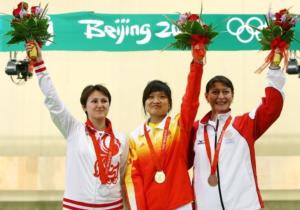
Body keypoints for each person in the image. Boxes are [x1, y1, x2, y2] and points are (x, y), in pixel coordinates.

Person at [26, 42, 128, 210]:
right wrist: (39, 65)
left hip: (112, 206)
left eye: (104, 101)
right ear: (84, 107)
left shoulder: (121, 138)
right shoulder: (73, 129)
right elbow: (54, 102)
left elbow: (122, 173)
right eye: (94, 101)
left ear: (109, 104)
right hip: (77, 206)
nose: (100, 105)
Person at [190, 52, 285, 210]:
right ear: (206, 96)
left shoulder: (244, 124)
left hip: (244, 206)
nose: (221, 96)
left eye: (225, 92)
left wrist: (274, 68)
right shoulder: (196, 129)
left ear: (232, 96)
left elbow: (272, 107)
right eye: (215, 92)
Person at [124, 46, 205, 210]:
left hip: (180, 203)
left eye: (162, 97)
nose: (156, 101)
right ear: (145, 103)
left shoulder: (179, 126)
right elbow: (133, 178)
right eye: (151, 97)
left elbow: (191, 99)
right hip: (150, 205)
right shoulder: (134, 137)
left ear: (169, 104)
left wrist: (197, 64)